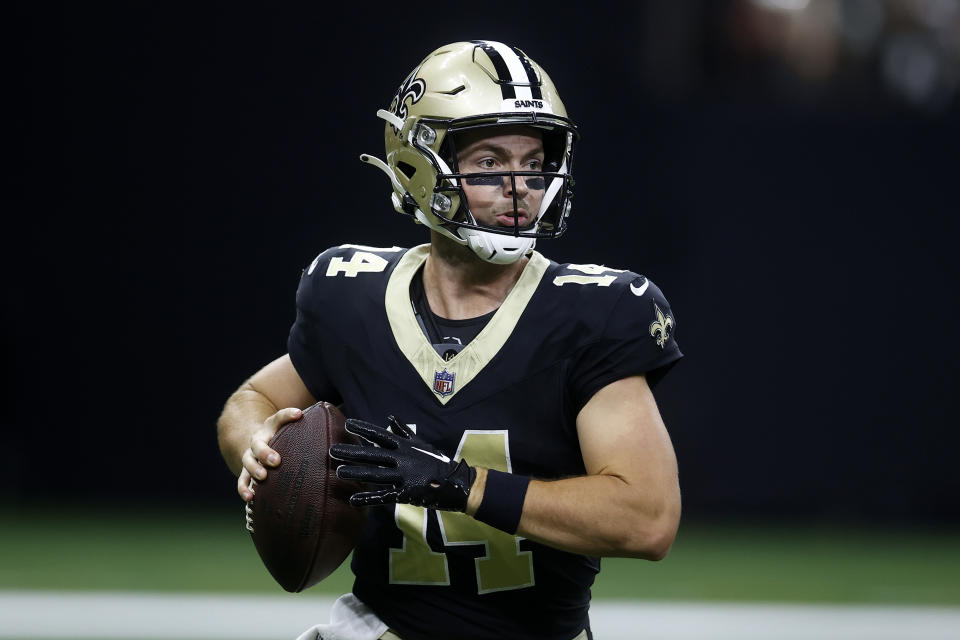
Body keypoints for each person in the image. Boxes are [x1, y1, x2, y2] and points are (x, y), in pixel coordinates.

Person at [218, 40, 683, 640]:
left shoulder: (593, 313)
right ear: (417, 162)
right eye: (490, 162)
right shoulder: (352, 296)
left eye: (533, 161)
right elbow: (249, 402)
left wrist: (461, 484)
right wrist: (258, 444)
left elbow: (647, 520)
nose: (520, 186)